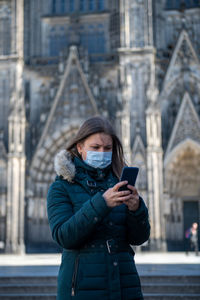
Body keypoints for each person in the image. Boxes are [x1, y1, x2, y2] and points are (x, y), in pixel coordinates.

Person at [47, 116, 150, 300]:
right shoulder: (61, 187)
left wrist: (136, 209)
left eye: (107, 148)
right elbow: (64, 236)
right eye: (95, 148)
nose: (102, 152)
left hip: (123, 285)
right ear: (80, 147)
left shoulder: (119, 182)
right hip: (82, 288)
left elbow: (139, 238)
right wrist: (102, 204)